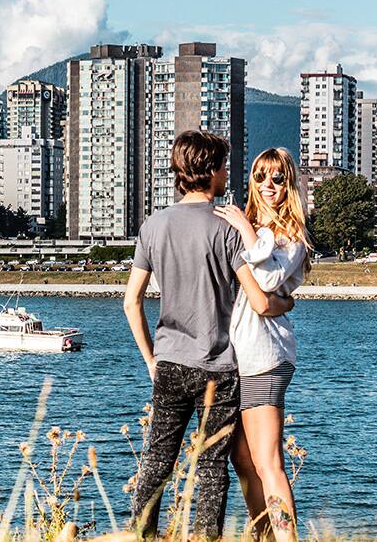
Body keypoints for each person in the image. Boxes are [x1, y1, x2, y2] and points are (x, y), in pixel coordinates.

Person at [124, 130, 295, 540]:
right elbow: (258, 299)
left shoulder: (153, 225)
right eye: (224, 166)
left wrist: (151, 359)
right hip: (220, 367)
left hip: (168, 363)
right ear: (213, 170)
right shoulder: (226, 228)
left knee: (156, 463)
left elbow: (132, 302)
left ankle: (138, 535)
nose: (226, 174)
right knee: (212, 465)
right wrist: (284, 304)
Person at [213, 147, 309, 542]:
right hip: (238, 356)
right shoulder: (247, 224)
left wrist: (248, 232)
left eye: (278, 179)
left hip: (266, 357)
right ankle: (263, 534)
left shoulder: (292, 236)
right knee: (241, 458)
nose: (268, 186)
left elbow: (268, 285)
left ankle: (285, 540)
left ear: (289, 185)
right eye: (260, 177)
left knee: (268, 462)